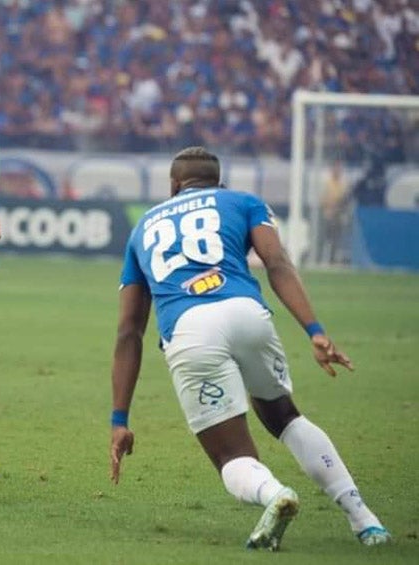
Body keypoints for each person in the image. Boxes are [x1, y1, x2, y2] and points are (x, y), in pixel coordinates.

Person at [108, 147, 390, 549]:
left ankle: (275, 495)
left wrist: (120, 418)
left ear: (174, 185)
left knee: (231, 456)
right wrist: (314, 329)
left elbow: (128, 332)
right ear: (218, 181)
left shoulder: (143, 228)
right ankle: (365, 521)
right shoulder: (243, 201)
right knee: (285, 417)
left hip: (190, 329)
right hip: (247, 313)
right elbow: (276, 262)